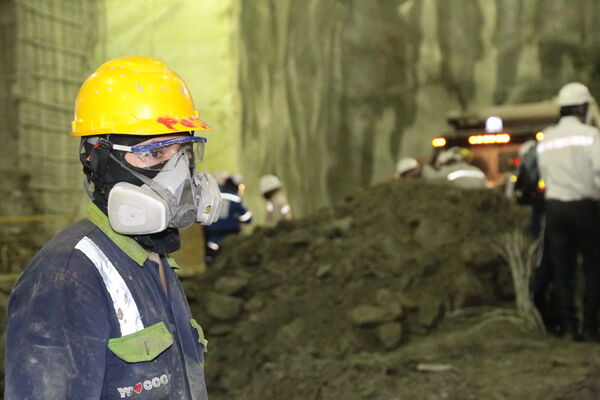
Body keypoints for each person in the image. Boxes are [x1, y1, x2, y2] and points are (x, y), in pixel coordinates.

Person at [5, 57, 223, 399]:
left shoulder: (154, 258)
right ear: (97, 159)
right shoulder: (67, 278)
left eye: (184, 151)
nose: (178, 174)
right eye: (154, 153)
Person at [537, 82, 600, 342]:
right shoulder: (591, 136)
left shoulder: (546, 139)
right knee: (594, 267)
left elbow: (543, 176)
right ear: (582, 107)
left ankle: (569, 326)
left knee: (563, 269)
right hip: (585, 208)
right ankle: (590, 326)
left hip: (554, 209)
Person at [203, 174, 252, 263]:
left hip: (212, 238)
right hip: (231, 238)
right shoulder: (236, 199)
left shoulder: (213, 196)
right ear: (236, 185)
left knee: (212, 262)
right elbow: (247, 218)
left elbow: (204, 214)